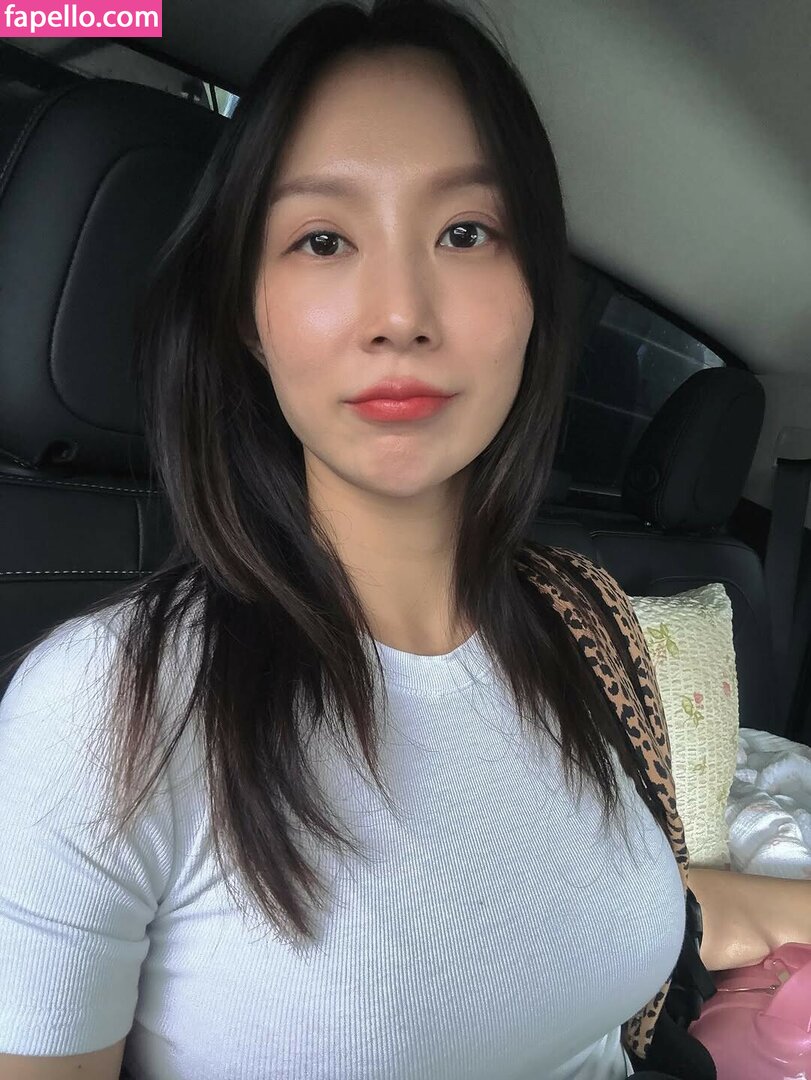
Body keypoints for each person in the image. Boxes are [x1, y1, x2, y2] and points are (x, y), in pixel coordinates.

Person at [0, 0, 747, 1077]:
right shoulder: (103, 714)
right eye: (322, 240)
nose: (400, 312)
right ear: (249, 315)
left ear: (534, 295)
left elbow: (597, 909)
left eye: (464, 233)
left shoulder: (582, 616)